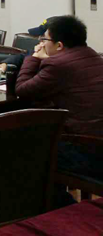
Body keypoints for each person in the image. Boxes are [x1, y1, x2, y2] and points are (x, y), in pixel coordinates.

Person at [14, 16, 103, 207]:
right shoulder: (94, 57)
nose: (41, 43)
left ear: (60, 45)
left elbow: (22, 90)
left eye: (44, 39)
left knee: (24, 150)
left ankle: (61, 206)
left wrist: (33, 58)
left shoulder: (58, 64)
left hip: (85, 151)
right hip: (96, 142)